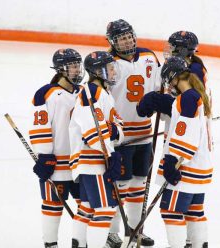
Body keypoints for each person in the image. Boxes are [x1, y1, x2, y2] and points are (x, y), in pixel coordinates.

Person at [137, 56, 213, 248]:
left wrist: (172, 161)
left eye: (169, 81)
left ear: (173, 77)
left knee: (170, 211)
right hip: (201, 167)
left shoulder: (187, 98)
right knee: (194, 212)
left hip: (185, 167)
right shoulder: (196, 95)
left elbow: (185, 132)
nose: (170, 86)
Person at [105, 19, 161, 247]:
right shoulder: (108, 63)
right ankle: (112, 231)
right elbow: (100, 98)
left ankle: (136, 228)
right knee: (120, 185)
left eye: (129, 36)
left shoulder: (149, 56)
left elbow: (160, 88)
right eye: (121, 38)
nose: (127, 41)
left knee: (139, 183)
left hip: (146, 134)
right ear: (112, 42)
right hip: (121, 137)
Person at [29, 48, 85, 248]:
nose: (78, 70)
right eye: (73, 66)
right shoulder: (46, 94)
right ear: (61, 69)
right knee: (53, 205)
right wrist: (44, 156)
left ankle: (81, 243)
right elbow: (39, 127)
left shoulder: (83, 92)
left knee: (85, 206)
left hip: (80, 163)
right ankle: (50, 244)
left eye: (78, 65)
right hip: (55, 164)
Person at [69, 51, 125, 248]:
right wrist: (110, 154)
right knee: (104, 210)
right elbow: (93, 132)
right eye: (110, 68)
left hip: (92, 160)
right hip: (93, 159)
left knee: (87, 208)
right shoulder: (91, 92)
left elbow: (118, 128)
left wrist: (113, 131)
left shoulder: (103, 93)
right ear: (98, 71)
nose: (113, 72)